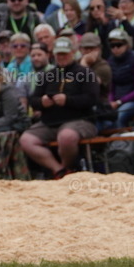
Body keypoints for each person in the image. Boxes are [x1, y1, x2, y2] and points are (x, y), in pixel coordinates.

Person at [20, 37, 99, 176]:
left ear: (73, 53)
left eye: (65, 53)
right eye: (58, 54)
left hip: (80, 120)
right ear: (54, 55)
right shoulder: (47, 75)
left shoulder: (85, 73)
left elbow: (92, 99)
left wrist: (68, 100)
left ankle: (67, 166)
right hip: (50, 122)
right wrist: (42, 102)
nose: (61, 57)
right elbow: (33, 99)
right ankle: (59, 170)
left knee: (66, 137)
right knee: (26, 140)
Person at [105, 27, 134, 126]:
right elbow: (111, 87)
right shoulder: (109, 62)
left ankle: (123, 140)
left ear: (127, 44)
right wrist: (111, 101)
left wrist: (119, 102)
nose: (115, 48)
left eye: (119, 45)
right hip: (115, 101)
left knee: (120, 114)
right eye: (112, 45)